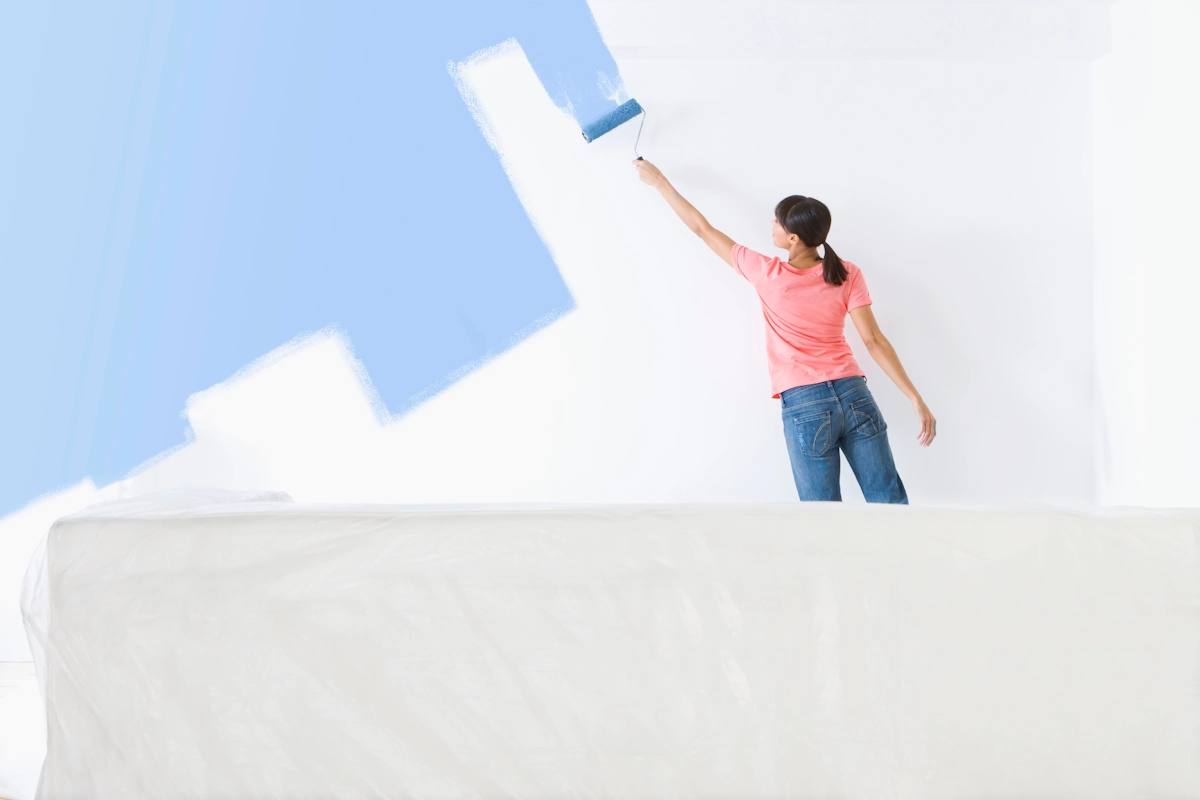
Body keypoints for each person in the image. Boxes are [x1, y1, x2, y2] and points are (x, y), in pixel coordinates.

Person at [634, 159, 935, 503]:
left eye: (776, 222)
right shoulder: (847, 273)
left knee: (821, 517)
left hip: (805, 402)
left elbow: (702, 229)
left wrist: (659, 182)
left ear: (793, 238)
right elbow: (873, 341)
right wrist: (914, 397)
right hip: (856, 396)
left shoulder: (766, 273)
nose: (772, 225)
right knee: (890, 504)